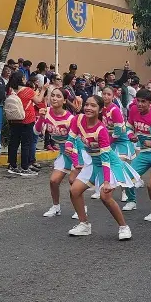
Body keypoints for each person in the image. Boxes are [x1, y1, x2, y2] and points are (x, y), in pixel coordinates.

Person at [66, 95, 139, 240]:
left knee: (105, 196)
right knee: (74, 190)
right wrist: (68, 147)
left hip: (110, 164)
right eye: (87, 104)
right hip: (94, 163)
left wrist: (106, 182)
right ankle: (84, 224)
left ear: (100, 110)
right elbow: (70, 139)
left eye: (93, 106)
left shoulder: (101, 129)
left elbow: (105, 158)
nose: (88, 108)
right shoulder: (78, 120)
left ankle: (124, 227)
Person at [37, 87, 89, 217]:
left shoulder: (70, 119)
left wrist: (77, 162)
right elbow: (37, 131)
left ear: (65, 100)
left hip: (76, 151)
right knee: (54, 181)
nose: (54, 98)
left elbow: (76, 141)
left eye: (58, 96)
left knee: (73, 181)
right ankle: (56, 207)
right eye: (53, 95)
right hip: (63, 151)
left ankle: (82, 208)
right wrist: (41, 118)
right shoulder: (46, 112)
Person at [124, 88, 151, 212]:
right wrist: (131, 136)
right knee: (128, 176)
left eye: (143, 102)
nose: (140, 104)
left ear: (150, 103)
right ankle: (131, 201)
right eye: (138, 101)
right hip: (144, 153)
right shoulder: (134, 111)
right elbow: (128, 127)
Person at [6, 71, 44, 176]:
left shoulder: (11, 90)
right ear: (22, 79)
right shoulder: (28, 90)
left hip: (14, 119)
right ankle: (24, 167)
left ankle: (12, 165)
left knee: (14, 142)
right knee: (26, 144)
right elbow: (39, 101)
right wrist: (44, 89)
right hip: (27, 119)